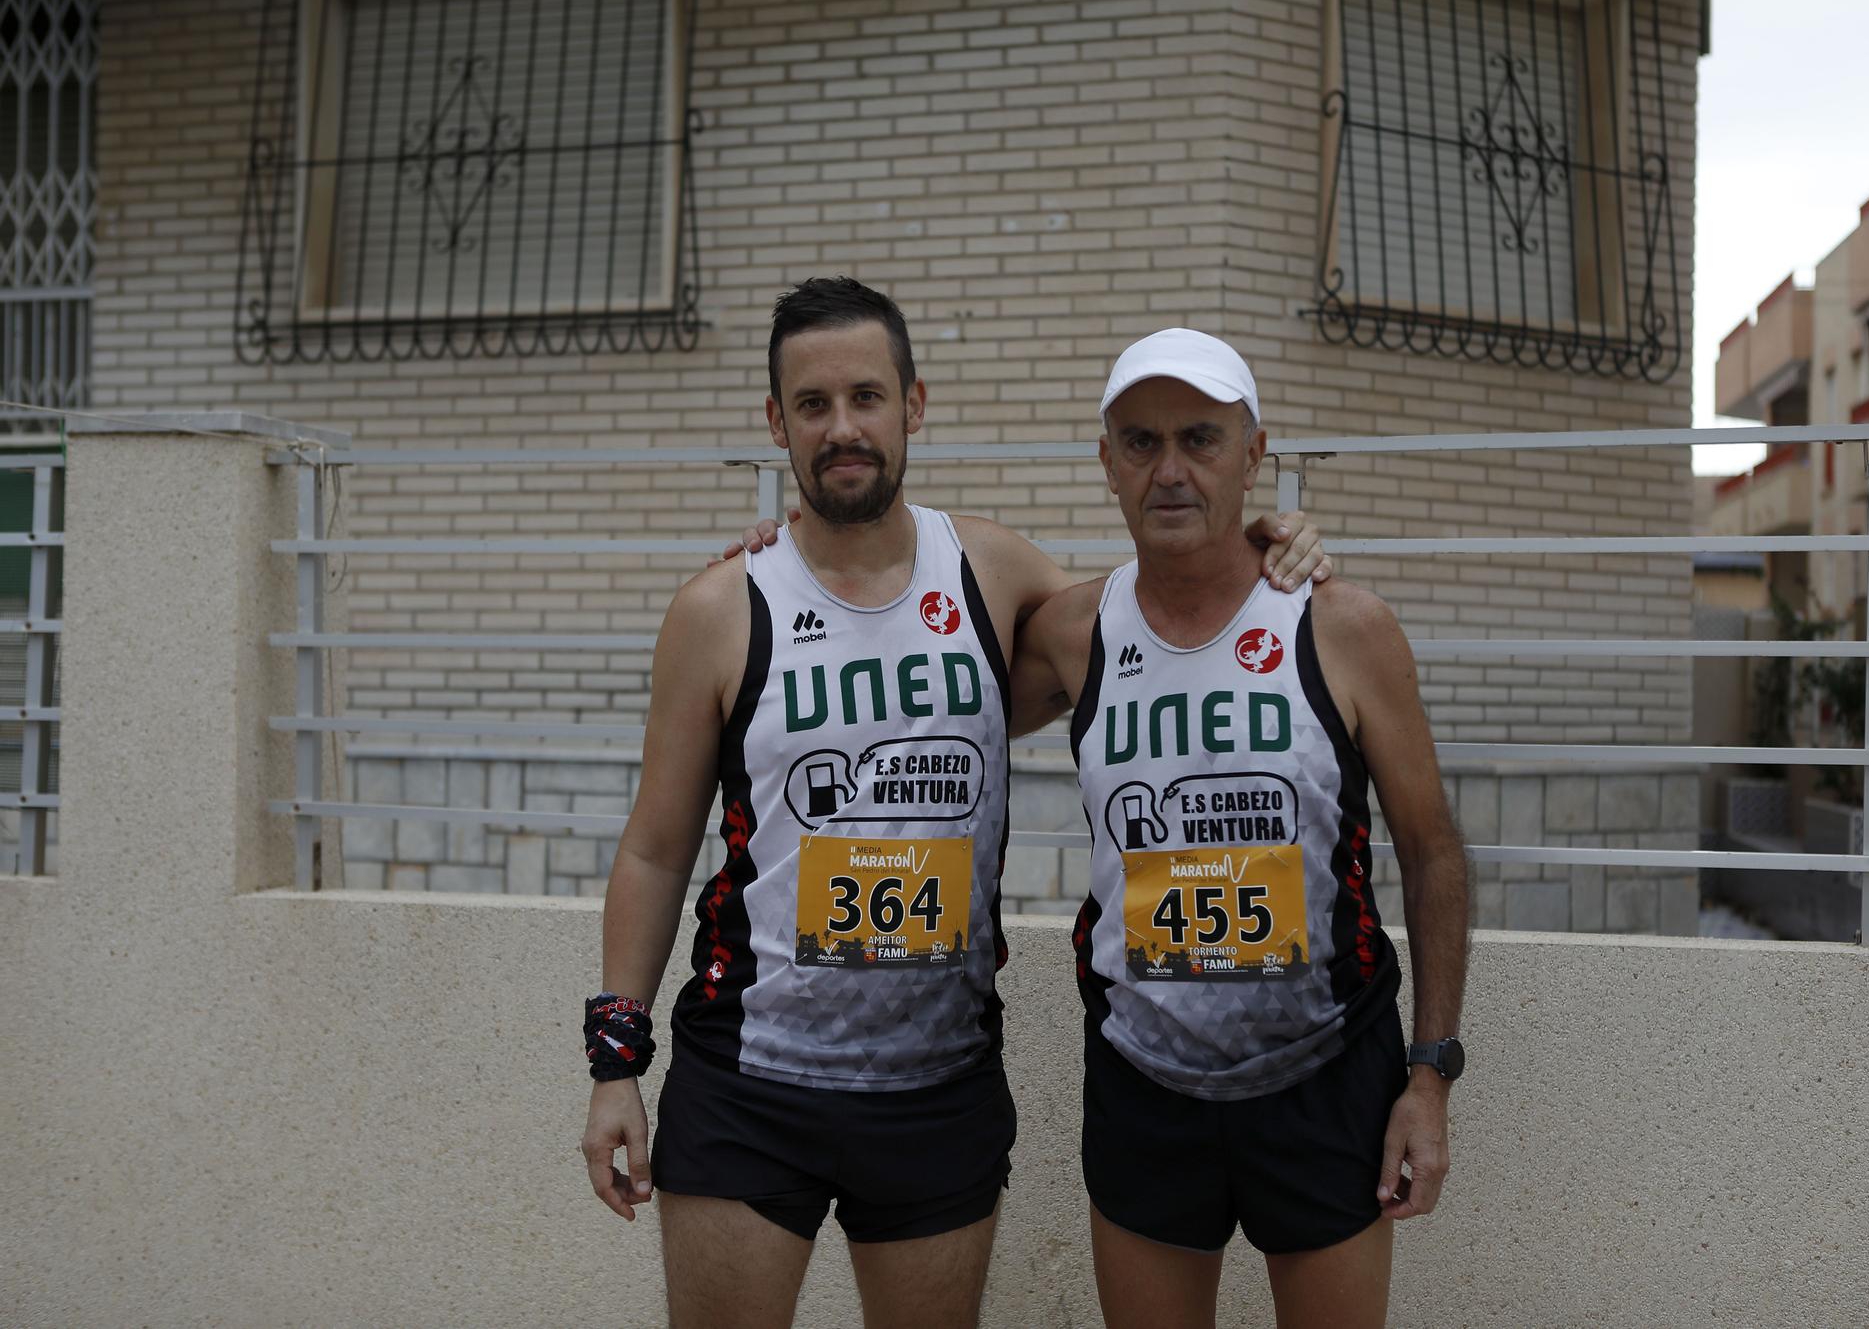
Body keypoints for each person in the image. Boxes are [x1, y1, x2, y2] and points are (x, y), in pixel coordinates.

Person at [578, 278, 1330, 1329]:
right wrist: (616, 1065)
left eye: (866, 397)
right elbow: (656, 851)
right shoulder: (717, 609)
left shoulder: (988, 566)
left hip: (937, 1086)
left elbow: (1157, 627)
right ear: (776, 423)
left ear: (912, 406)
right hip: (748, 1077)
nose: (842, 428)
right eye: (811, 405)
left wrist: (1264, 545)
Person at [1008, 328, 1471, 1329]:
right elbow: (937, 630)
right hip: (1142, 1075)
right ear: (1105, 462)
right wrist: (824, 539)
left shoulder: (1339, 624)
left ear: (1253, 451)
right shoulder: (1072, 633)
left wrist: (1428, 1076)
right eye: (1138, 442)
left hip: (1326, 1067)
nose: (1168, 470)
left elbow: (1432, 854)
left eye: (1200, 439)